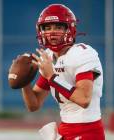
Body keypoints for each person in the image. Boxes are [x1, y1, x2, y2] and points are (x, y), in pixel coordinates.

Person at [21, 4, 105, 140]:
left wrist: (52, 77)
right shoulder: (49, 56)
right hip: (64, 131)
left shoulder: (83, 53)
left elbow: (84, 99)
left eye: (58, 27)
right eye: (47, 28)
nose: (52, 32)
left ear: (70, 29)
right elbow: (34, 104)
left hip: (88, 131)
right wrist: (24, 82)